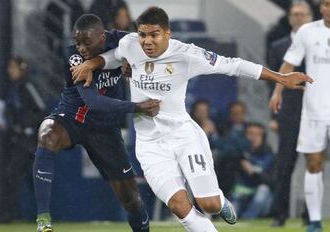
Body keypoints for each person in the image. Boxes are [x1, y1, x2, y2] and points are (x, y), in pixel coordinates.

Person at [72, 6, 312, 231]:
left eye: (154, 35)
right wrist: (92, 64)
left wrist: (281, 78)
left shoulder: (187, 54)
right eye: (143, 34)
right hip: (150, 146)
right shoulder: (130, 44)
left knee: (208, 205)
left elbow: (234, 65)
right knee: (179, 205)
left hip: (183, 136)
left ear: (167, 33)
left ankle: (219, 200)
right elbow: (114, 55)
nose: (146, 41)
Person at [33, 14, 159, 232]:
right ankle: (43, 218)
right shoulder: (73, 54)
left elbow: (148, 49)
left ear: (103, 37)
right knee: (47, 134)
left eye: (86, 42)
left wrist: (133, 63)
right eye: (77, 41)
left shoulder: (123, 40)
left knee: (131, 199)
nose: (81, 47)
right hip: (74, 117)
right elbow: (93, 101)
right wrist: (136, 107)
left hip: (105, 128)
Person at [269, 0, 330, 231]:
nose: (327, 8)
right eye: (324, 4)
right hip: (313, 110)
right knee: (313, 164)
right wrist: (277, 91)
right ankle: (314, 221)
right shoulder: (307, 32)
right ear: (320, 8)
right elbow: (289, 64)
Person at [268, 1, 313, 227]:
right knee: (284, 165)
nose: (298, 17)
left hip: (316, 112)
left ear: (310, 16)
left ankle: (309, 215)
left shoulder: (321, 43)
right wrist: (274, 117)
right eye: (295, 14)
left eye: (302, 14)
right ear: (289, 17)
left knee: (314, 165)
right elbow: (271, 83)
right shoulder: (278, 47)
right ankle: (279, 215)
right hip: (288, 114)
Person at [0, 57, 46, 221]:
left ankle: (7, 213)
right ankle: (33, 213)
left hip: (28, 140)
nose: (10, 71)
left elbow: (41, 110)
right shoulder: (12, 88)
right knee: (28, 177)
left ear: (22, 69)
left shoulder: (27, 86)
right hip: (17, 137)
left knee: (13, 174)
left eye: (13, 67)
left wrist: (27, 125)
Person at [232, 123, 274, 219]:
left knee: (264, 189)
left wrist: (254, 172)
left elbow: (273, 181)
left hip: (261, 201)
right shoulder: (238, 154)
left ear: (263, 137)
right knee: (231, 214)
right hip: (240, 195)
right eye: (250, 134)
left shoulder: (269, 155)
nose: (254, 138)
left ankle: (249, 218)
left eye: (258, 135)